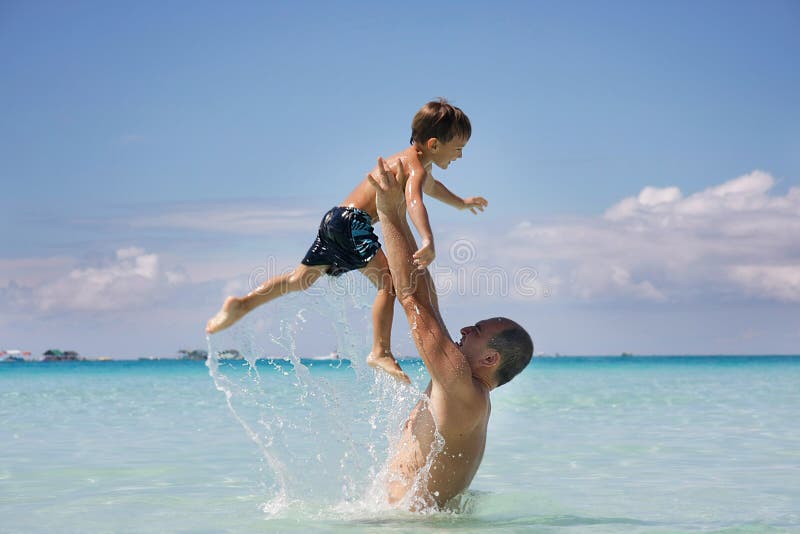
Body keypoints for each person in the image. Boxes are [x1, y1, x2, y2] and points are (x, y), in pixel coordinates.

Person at [206, 99, 488, 383]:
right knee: (390, 282)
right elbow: (414, 200)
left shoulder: (413, 164)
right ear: (434, 144)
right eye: (459, 149)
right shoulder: (413, 167)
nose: (460, 156)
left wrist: (462, 203)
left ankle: (242, 304)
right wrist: (427, 239)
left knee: (299, 280)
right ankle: (380, 351)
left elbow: (432, 188)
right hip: (353, 223)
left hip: (336, 219)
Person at [367, 157, 533, 510]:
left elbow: (411, 299)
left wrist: (388, 211)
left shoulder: (461, 387)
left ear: (491, 358)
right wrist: (401, 216)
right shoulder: (465, 390)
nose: (463, 330)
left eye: (475, 331)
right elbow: (426, 298)